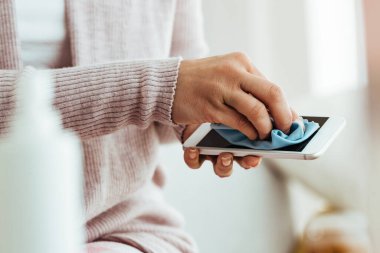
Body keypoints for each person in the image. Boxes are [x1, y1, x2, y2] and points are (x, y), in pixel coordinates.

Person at [0, 0, 299, 252]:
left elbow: (182, 61)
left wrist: (204, 122)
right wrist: (160, 87)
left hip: (124, 226)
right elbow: (167, 83)